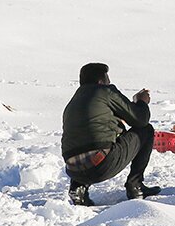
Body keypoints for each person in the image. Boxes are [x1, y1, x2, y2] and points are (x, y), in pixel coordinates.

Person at [61, 62, 162, 206]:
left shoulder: (74, 101)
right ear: (101, 81)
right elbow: (140, 119)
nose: (109, 82)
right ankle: (136, 186)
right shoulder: (105, 91)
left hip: (73, 169)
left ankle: (78, 189)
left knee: (83, 141)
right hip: (101, 165)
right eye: (108, 79)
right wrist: (141, 102)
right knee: (145, 130)